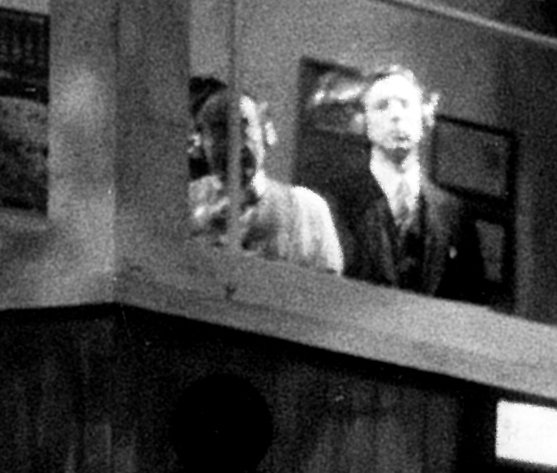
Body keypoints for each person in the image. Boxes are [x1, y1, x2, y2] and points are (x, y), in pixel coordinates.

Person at [325, 64, 491, 303]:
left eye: (405, 104)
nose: (396, 115)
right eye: (382, 106)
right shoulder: (334, 202)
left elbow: (472, 304)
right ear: (364, 122)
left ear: (425, 117)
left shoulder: (455, 215)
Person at [187, 86, 343, 272]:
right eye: (218, 131)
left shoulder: (308, 210)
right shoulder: (184, 203)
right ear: (200, 143)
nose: (232, 144)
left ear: (266, 133)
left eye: (243, 127)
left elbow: (329, 283)